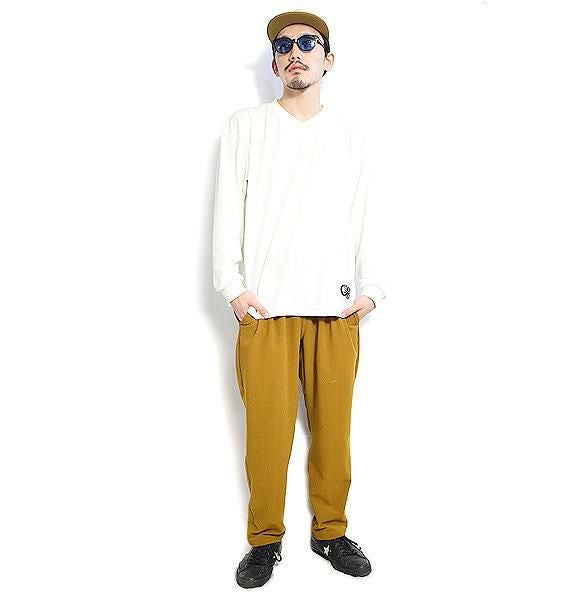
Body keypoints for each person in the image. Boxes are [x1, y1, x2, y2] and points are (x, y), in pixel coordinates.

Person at [212, 10, 386, 588]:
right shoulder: (246, 126)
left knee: (333, 433)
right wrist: (232, 287)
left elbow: (366, 213)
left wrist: (372, 288)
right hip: (266, 309)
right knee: (268, 434)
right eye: (283, 46)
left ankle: (330, 532)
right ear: (274, 62)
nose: (295, 52)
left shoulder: (349, 135)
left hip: (335, 309)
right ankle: (264, 541)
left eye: (308, 44)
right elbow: (227, 209)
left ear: (327, 60)